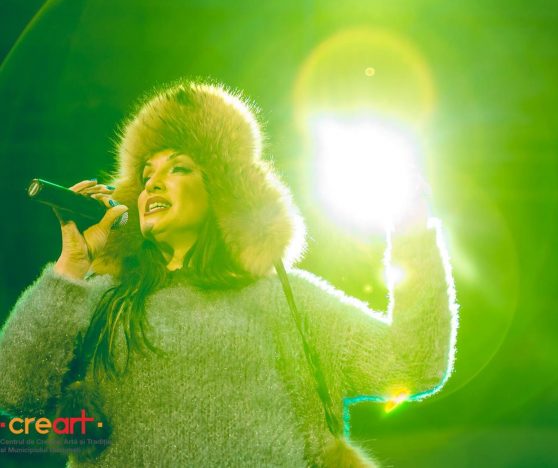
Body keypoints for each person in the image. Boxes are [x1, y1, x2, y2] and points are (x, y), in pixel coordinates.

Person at [0, 81, 458, 467]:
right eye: (146, 173)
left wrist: (413, 236)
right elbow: (13, 393)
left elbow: (413, 363)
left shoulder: (288, 302)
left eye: (179, 167)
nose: (153, 182)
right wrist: (71, 268)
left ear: (223, 190)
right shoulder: (100, 302)